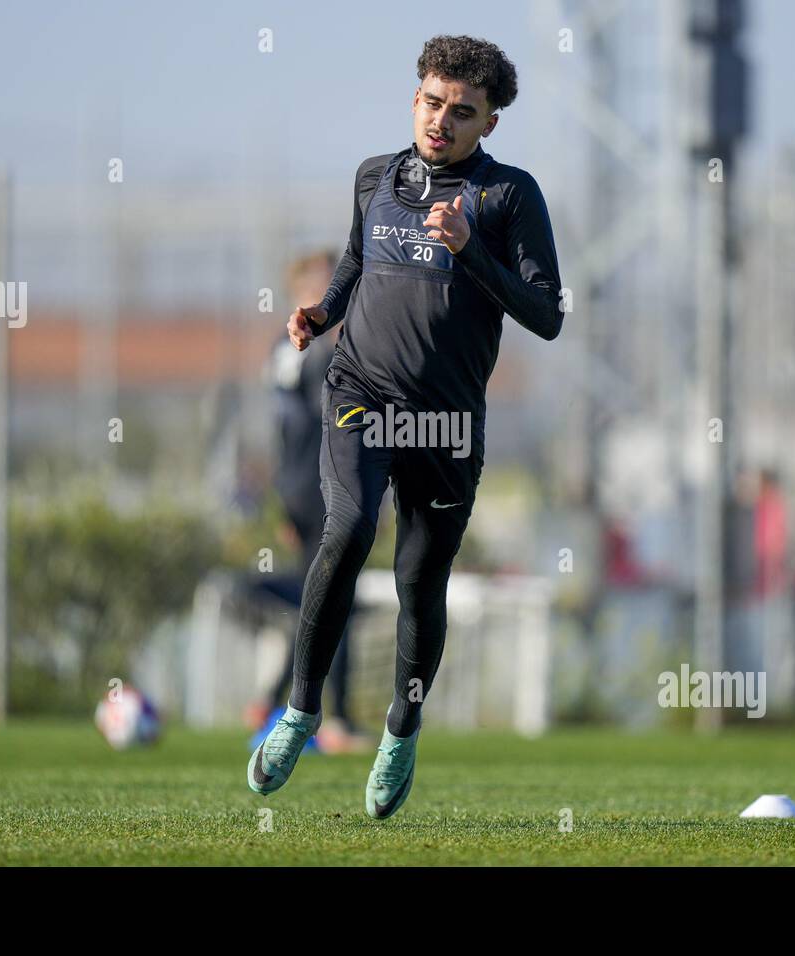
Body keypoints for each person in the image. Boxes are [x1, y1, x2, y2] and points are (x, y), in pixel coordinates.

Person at [248, 35, 564, 819]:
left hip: (448, 421)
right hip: (361, 393)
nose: (442, 121)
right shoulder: (374, 177)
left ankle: (400, 728)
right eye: (432, 102)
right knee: (348, 529)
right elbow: (356, 262)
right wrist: (322, 314)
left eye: (462, 112)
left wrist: (471, 255)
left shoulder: (509, 197)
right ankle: (300, 713)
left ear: (488, 123)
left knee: (421, 583)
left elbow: (547, 316)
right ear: (414, 99)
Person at [244, 250, 367, 755]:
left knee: (326, 596)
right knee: (336, 598)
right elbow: (296, 422)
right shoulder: (301, 346)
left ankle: (275, 698)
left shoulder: (299, 344)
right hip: (314, 485)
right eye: (320, 284)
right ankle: (331, 718)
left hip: (322, 482)